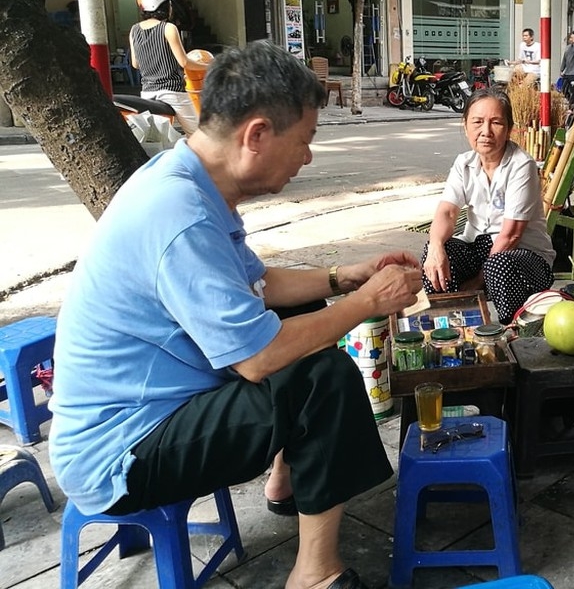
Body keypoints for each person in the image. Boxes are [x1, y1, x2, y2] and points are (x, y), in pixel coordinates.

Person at [49, 41, 422, 589]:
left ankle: (285, 481)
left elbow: (261, 284)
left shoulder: (188, 181)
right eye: (305, 141)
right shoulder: (178, 215)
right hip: (123, 449)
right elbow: (258, 358)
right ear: (256, 136)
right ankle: (315, 574)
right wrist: (367, 304)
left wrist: (347, 277)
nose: (308, 158)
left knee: (309, 310)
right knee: (327, 377)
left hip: (162, 407)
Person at [422, 87, 555, 324]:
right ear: (465, 126)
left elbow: (511, 235)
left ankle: (509, 332)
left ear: (509, 129)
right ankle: (448, 323)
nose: (485, 131)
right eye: (477, 122)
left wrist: (476, 284)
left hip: (524, 259)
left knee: (498, 265)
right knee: (438, 253)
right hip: (481, 249)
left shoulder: (521, 165)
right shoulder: (464, 163)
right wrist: (435, 247)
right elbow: (447, 212)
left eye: (496, 123)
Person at [129, 0, 201, 134]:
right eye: (169, 3)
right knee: (198, 135)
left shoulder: (134, 30)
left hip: (147, 93)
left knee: (159, 137)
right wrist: (210, 65)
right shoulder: (168, 28)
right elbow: (184, 62)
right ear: (163, 5)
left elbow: (135, 64)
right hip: (172, 92)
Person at [558, 30, 574, 99]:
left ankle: (572, 105)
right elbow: (564, 59)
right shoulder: (567, 47)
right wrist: (562, 69)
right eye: (570, 37)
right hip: (566, 73)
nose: (570, 39)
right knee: (564, 90)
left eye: (572, 37)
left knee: (573, 91)